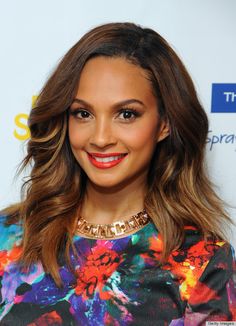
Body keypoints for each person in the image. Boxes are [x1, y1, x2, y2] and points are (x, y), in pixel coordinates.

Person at [0, 22, 235, 326]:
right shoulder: (8, 239)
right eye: (83, 113)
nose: (100, 138)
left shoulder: (201, 262)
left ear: (164, 123)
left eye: (126, 114)